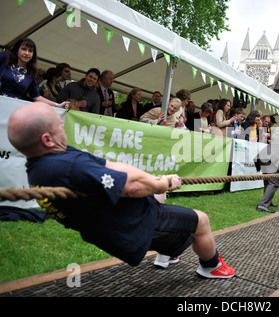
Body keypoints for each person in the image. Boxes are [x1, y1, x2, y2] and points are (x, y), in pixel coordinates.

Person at [7, 102, 235, 279]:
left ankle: (169, 250)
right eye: (57, 125)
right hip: (128, 227)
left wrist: (154, 182)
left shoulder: (50, 159)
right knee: (201, 221)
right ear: (47, 139)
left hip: (120, 218)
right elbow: (132, 187)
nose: (62, 125)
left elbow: (109, 165)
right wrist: (164, 182)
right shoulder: (64, 167)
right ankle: (211, 266)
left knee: (157, 194)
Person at [0, 38, 68, 109]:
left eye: (30, 51)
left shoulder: (31, 73)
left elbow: (36, 97)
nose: (27, 53)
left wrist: (58, 105)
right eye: (23, 49)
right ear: (17, 50)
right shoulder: (4, 58)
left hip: (12, 108)